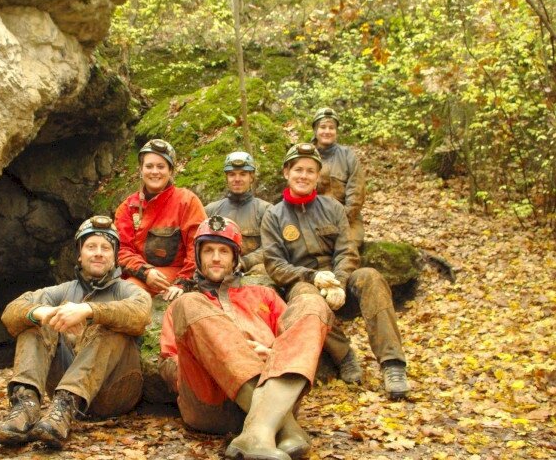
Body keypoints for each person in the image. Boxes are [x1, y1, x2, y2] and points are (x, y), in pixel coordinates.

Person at [160, 216, 334, 460]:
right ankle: (286, 429)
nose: (217, 257)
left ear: (235, 258)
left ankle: (257, 432)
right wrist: (223, 360)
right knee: (187, 302)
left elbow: (293, 345)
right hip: (211, 403)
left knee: (312, 302)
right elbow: (170, 364)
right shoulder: (187, 305)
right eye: (208, 251)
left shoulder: (264, 295)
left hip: (275, 394)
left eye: (224, 251)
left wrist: (270, 353)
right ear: (198, 257)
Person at [262, 143, 409, 400]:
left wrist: (338, 283)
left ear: (318, 176)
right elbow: (275, 264)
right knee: (309, 299)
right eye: (298, 170)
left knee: (371, 278)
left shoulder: (333, 208)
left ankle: (393, 364)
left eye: (310, 171)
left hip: (338, 280)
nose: (304, 176)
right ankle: (344, 355)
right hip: (302, 282)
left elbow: (347, 251)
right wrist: (312, 277)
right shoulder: (274, 216)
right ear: (286, 173)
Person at [0, 216, 152, 449]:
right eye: (91, 247)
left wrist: (88, 310)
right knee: (34, 320)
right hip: (60, 388)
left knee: (109, 323)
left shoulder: (127, 290)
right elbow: (10, 313)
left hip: (115, 393)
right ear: (79, 254)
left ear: (115, 256)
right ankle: (24, 406)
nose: (98, 253)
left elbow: (141, 314)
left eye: (105, 248)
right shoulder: (61, 291)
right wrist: (43, 313)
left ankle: (66, 404)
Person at [115, 138, 206, 301]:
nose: (154, 171)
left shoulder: (187, 201)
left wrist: (183, 282)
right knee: (123, 292)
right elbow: (122, 249)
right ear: (141, 170)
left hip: (177, 272)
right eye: (149, 166)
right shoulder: (128, 207)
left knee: (128, 293)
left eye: (161, 166)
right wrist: (145, 272)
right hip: (141, 276)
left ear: (170, 171)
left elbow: (198, 245)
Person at [204, 150, 273, 274]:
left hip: (254, 272)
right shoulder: (210, 210)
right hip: (218, 272)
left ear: (251, 177)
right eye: (232, 174)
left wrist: (243, 262)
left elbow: (271, 247)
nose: (237, 179)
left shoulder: (266, 210)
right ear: (226, 177)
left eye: (242, 174)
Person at [311, 107, 366, 249]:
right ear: (315, 130)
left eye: (331, 127)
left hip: (347, 221)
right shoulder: (305, 154)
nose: (327, 131)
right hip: (310, 219)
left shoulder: (348, 156)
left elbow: (356, 194)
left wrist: (341, 222)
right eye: (323, 127)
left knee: (346, 249)